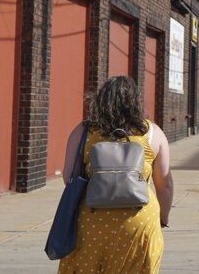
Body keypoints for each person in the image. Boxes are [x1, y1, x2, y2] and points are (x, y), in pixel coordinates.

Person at [58, 76, 174, 274]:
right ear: (135, 102)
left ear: (101, 100)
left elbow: (68, 177)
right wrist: (163, 216)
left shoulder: (84, 131)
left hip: (92, 220)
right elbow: (165, 184)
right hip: (139, 220)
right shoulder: (152, 133)